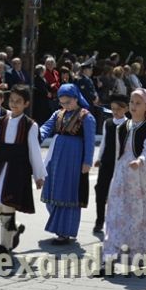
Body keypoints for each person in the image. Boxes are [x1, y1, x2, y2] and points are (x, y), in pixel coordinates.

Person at [0, 85, 46, 256]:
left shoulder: (30, 126)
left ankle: (5, 246)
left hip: (17, 170)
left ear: (26, 103)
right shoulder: (0, 121)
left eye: (18, 101)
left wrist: (39, 175)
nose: (14, 104)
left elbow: (34, 150)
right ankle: (14, 228)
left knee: (7, 204)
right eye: (12, 100)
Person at [103, 89, 146, 269]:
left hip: (143, 178)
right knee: (117, 213)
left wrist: (141, 160)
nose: (133, 106)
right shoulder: (122, 127)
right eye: (132, 102)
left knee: (143, 215)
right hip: (123, 177)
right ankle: (111, 256)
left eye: (138, 103)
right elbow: (118, 152)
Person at [39, 83, 96, 244]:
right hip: (56, 157)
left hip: (74, 158)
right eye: (62, 102)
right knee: (52, 190)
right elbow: (46, 128)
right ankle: (59, 226)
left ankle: (64, 232)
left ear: (76, 98)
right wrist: (35, 137)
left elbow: (90, 141)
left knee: (68, 192)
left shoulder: (86, 117)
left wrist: (87, 162)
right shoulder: (58, 114)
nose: (65, 105)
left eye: (68, 102)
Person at [92, 94, 128, 233]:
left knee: (119, 194)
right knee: (101, 190)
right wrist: (99, 158)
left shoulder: (129, 125)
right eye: (113, 109)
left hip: (121, 164)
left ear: (125, 109)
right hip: (106, 162)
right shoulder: (108, 123)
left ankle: (118, 222)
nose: (115, 112)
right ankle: (99, 220)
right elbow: (104, 142)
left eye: (118, 109)